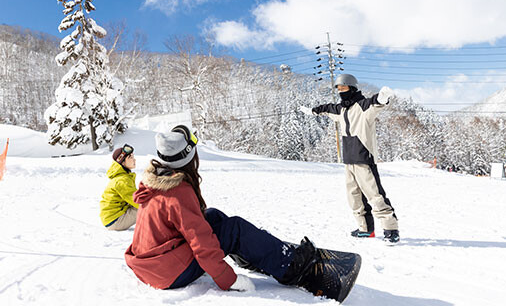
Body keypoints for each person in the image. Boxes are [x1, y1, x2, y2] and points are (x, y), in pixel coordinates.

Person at [124, 125, 318, 292]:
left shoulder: (156, 180)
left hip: (151, 266)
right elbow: (201, 244)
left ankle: (251, 255)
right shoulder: (177, 192)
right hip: (168, 274)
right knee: (235, 228)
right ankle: (291, 267)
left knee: (213, 216)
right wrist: (228, 279)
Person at [299, 74, 400, 244]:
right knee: (354, 197)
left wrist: (383, 97)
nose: (340, 91)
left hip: (363, 158)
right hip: (349, 160)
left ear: (352, 88)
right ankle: (365, 229)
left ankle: (391, 229)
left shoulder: (363, 106)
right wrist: (312, 111)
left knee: (375, 195)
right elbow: (327, 108)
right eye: (338, 88)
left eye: (343, 88)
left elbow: (376, 103)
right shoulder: (341, 109)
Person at [99, 144, 139, 231]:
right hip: (114, 220)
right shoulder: (122, 180)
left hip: (111, 218)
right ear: (123, 162)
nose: (134, 159)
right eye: (130, 157)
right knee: (146, 208)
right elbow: (136, 200)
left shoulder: (123, 177)